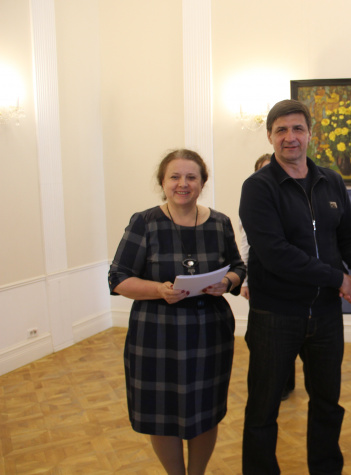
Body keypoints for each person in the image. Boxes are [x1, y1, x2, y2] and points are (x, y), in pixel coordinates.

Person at [238, 99, 351, 475]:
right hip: (275, 315)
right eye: (281, 130)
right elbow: (276, 254)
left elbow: (350, 237)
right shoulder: (258, 187)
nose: (290, 137)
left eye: (297, 128)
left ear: (311, 134)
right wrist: (340, 279)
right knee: (263, 409)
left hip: (326, 315)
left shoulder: (331, 180)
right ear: (269, 136)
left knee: (328, 404)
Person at [108, 149, 246, 475]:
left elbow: (239, 267)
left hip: (209, 333)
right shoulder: (144, 222)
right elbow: (118, 279)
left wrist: (226, 281)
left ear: (202, 183)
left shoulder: (219, 223)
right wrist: (159, 289)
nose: (183, 184)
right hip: (156, 333)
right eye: (175, 176)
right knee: (161, 412)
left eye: (191, 177)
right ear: (163, 182)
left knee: (205, 411)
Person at [237, 152, 297, 401]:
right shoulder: (254, 203)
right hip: (262, 283)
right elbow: (245, 244)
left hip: (295, 283)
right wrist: (245, 280)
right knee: (264, 340)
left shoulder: (293, 202)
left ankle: (287, 382)